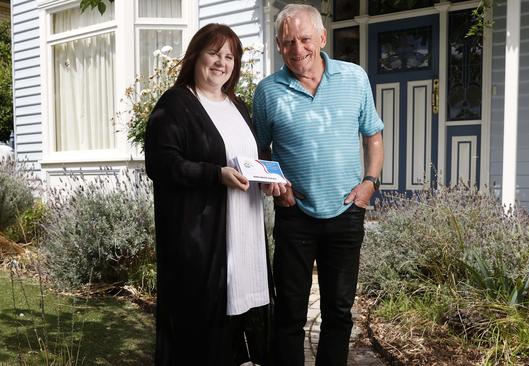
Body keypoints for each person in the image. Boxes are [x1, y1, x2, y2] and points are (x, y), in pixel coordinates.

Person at [252, 4, 384, 366]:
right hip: (295, 216)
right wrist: (277, 185)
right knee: (290, 314)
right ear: (279, 46)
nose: (298, 49)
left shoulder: (354, 78)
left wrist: (369, 183)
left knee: (339, 314)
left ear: (322, 38)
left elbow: (373, 134)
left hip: (346, 212)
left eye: (305, 39)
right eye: (288, 42)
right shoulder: (267, 92)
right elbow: (261, 152)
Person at [144, 23, 272, 366]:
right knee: (203, 320)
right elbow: (161, 163)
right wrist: (215, 175)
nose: (221, 62)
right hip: (200, 235)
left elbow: (255, 154)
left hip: (244, 230)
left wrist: (270, 176)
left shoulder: (237, 105)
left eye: (229, 56)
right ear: (196, 56)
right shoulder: (176, 103)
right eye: (214, 53)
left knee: (242, 308)